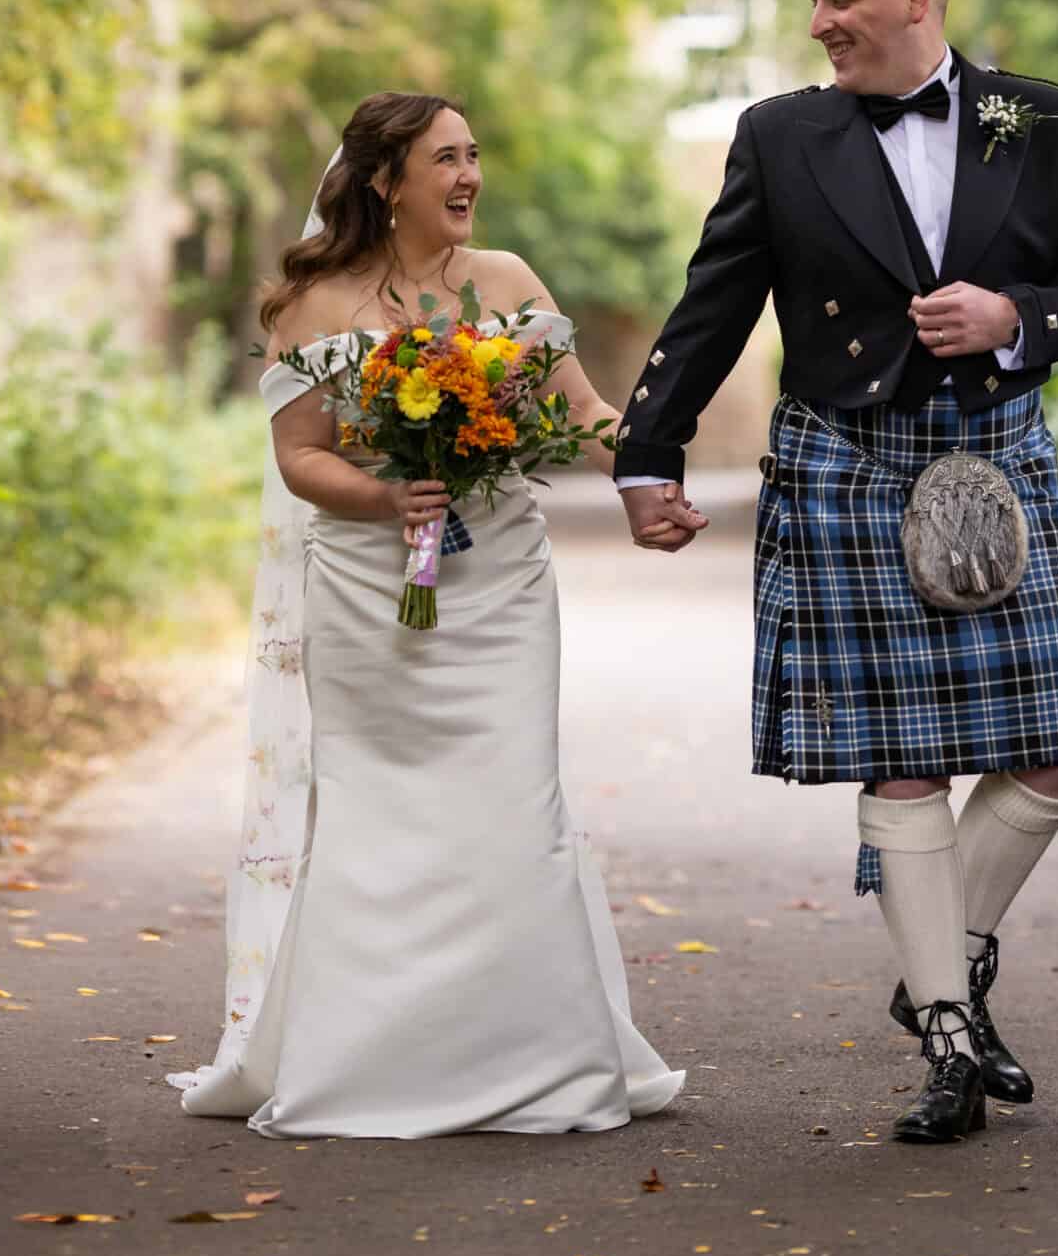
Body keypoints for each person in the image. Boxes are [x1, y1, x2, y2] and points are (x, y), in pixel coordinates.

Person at [615, 0, 1058, 1145]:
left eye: (840, 0)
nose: (819, 24)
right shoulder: (782, 135)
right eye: (810, 1)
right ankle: (951, 1032)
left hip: (995, 454)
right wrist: (648, 451)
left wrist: (1013, 315)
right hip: (849, 456)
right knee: (902, 757)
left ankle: (933, 964)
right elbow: (715, 304)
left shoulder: (1041, 116)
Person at [171, 88, 687, 1139]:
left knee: (513, 799)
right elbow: (300, 457)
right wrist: (383, 493)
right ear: (384, 181)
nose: (468, 177)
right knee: (381, 809)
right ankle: (369, 1060)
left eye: (473, 155)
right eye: (445, 159)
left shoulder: (503, 284)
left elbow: (584, 408)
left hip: (498, 582)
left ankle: (539, 1060)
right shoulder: (314, 307)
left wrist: (648, 474)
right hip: (368, 590)